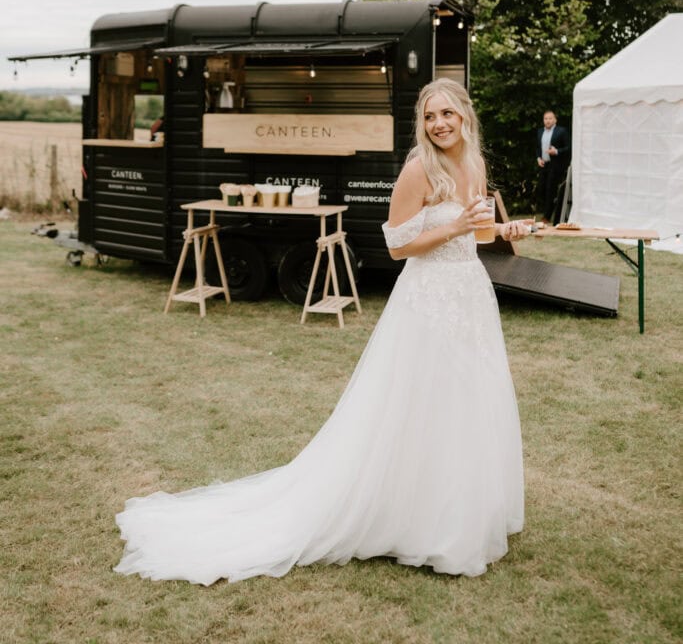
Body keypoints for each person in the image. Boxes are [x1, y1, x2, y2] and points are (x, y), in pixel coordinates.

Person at [114, 78, 527, 585]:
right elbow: (397, 246)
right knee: (416, 404)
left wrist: (502, 230)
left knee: (465, 401)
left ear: (465, 115)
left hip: (469, 296)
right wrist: (453, 229)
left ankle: (460, 509)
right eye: (428, 116)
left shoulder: (476, 165)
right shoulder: (420, 169)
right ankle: (410, 518)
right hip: (427, 302)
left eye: (447, 114)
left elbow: (478, 231)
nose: (439, 124)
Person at [536, 110, 571, 223]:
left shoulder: (561, 131)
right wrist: (538, 158)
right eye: (546, 118)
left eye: (550, 118)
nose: (548, 120)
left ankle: (547, 216)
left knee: (550, 190)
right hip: (544, 164)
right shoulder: (540, 131)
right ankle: (548, 211)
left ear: (555, 119)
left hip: (555, 165)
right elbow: (537, 147)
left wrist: (556, 151)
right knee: (541, 189)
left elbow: (568, 148)